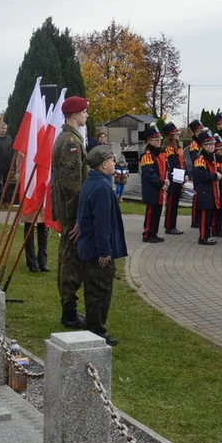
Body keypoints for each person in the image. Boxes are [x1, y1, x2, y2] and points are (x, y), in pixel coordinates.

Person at [76, 145, 127, 347]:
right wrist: (105, 251)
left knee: (93, 289)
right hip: (97, 250)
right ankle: (97, 331)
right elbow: (102, 222)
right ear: (104, 163)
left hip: (88, 247)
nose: (114, 163)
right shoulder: (102, 187)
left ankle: (91, 324)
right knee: (100, 290)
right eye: (112, 160)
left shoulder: (93, 182)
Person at [51, 96, 90, 329]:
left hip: (71, 211)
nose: (87, 115)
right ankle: (69, 312)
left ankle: (70, 309)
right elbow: (72, 184)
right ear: (74, 115)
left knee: (71, 258)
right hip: (71, 212)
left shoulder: (71, 137)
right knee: (70, 260)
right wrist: (78, 218)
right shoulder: (69, 142)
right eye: (84, 112)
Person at [192, 132, 222, 245]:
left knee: (211, 214)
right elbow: (200, 175)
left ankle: (208, 235)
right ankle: (203, 237)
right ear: (204, 146)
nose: (212, 147)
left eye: (213, 144)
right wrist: (215, 176)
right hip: (205, 190)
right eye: (209, 144)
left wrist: (221, 175)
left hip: (212, 190)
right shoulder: (201, 158)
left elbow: (217, 170)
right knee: (205, 215)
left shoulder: (213, 157)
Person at [139, 126, 168, 243]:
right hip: (152, 188)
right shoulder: (147, 154)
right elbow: (149, 173)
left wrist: (167, 179)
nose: (159, 141)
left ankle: (154, 233)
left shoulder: (160, 152)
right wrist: (161, 183)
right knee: (151, 212)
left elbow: (165, 168)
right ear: (150, 140)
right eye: (156, 139)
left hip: (160, 187)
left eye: (159, 139)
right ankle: (147, 234)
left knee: (157, 212)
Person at [162, 123, 185, 235]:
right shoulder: (169, 148)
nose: (178, 135)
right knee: (171, 203)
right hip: (173, 177)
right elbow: (174, 164)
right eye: (175, 133)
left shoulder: (176, 146)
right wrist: (181, 175)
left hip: (178, 176)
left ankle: (172, 225)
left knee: (174, 203)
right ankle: (170, 226)